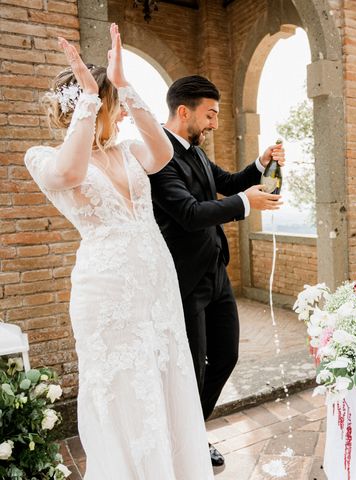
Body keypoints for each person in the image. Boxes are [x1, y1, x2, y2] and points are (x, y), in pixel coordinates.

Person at [24, 24, 214, 479]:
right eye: (115, 106)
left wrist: (123, 86)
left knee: (165, 381)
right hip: (107, 293)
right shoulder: (43, 157)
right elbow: (68, 175)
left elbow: (164, 152)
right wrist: (91, 96)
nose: (122, 115)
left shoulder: (128, 151)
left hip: (156, 285)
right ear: (88, 109)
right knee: (125, 391)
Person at [148, 75, 285, 466]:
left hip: (216, 272)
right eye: (210, 115)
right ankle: (185, 444)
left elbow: (225, 183)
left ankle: (194, 429)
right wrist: (246, 202)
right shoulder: (157, 155)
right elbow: (190, 214)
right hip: (185, 279)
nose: (214, 123)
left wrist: (261, 163)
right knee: (190, 369)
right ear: (183, 110)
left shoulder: (196, 151)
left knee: (226, 356)